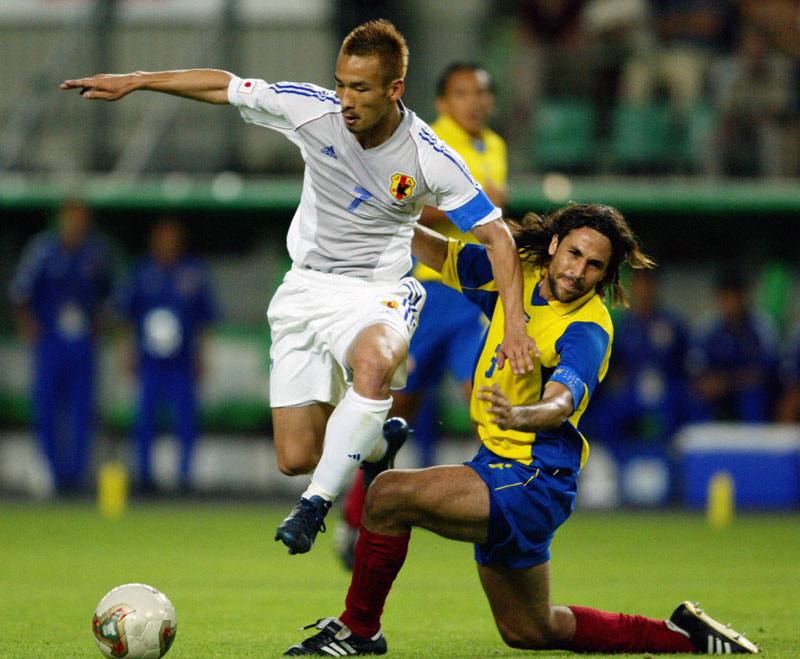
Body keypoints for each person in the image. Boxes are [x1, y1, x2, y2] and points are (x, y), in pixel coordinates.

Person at [62, 19, 537, 555]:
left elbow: (497, 236)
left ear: (394, 89)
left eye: (360, 88)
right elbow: (225, 85)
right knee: (296, 457)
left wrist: (514, 323)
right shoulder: (313, 110)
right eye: (341, 84)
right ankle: (376, 445)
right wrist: (138, 80)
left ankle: (315, 505)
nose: (346, 99)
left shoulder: (429, 155)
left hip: (379, 291)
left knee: (375, 365)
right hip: (306, 290)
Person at [284, 203, 759, 656]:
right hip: (506, 470)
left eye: (594, 265)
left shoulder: (588, 328)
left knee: (388, 495)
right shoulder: (517, 277)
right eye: (574, 253)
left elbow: (561, 401)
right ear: (553, 246)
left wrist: (521, 415)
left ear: (605, 275)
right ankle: (684, 636)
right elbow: (442, 254)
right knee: (530, 629)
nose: (578, 271)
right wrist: (386, 217)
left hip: (531, 478)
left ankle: (359, 629)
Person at [334, 62, 508, 567]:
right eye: (463, 93)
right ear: (443, 102)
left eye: (481, 92)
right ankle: (353, 515)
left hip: (469, 296)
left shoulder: (493, 145)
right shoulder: (425, 139)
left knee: (482, 398)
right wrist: (472, 206)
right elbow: (401, 205)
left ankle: (500, 505)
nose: (475, 101)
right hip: (425, 293)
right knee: (394, 416)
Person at [8, 199, 113, 496]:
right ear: (62, 219)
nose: (76, 224)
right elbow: (19, 293)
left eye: (81, 218)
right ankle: (49, 472)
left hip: (82, 341)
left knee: (82, 407)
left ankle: (75, 475)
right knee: (46, 406)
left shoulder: (95, 253)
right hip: (50, 340)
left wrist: (99, 325)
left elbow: (110, 295)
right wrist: (30, 327)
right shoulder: (42, 249)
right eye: (71, 218)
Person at [116, 217, 217, 494]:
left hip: (182, 363)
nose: (167, 243)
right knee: (144, 421)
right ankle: (144, 477)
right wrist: (127, 353)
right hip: (150, 362)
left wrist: (202, 356)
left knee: (186, 422)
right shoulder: (142, 271)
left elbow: (205, 320)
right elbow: (127, 316)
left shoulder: (193, 272)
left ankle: (184, 478)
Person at [688, 269, 779, 422]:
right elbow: (697, 370)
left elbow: (764, 373)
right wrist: (710, 383)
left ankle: (754, 436)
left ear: (745, 296)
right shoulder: (708, 327)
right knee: (695, 396)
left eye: (735, 296)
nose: (732, 303)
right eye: (727, 297)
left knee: (753, 397)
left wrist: (728, 382)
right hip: (718, 391)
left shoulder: (761, 326)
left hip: (748, 391)